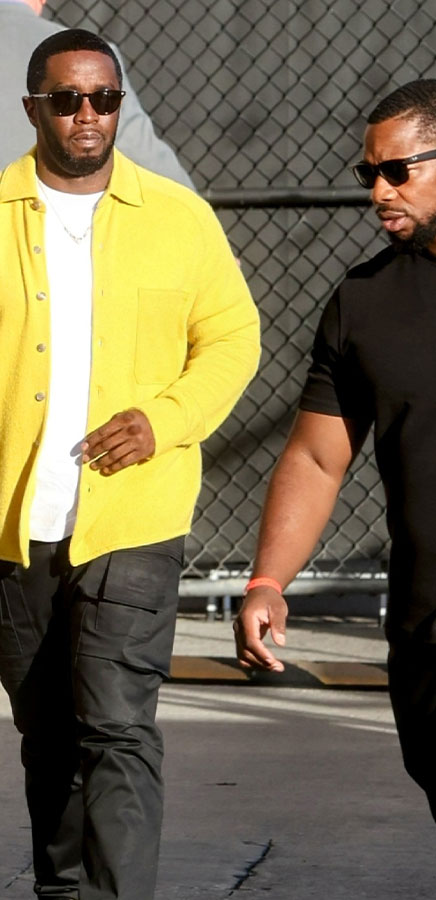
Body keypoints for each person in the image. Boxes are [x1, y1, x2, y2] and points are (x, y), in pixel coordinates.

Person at [0, 28, 259, 900]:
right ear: (34, 109)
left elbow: (232, 339)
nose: (88, 115)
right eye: (67, 99)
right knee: (48, 734)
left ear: (119, 107)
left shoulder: (178, 217)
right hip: (13, 525)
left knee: (118, 725)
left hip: (134, 518)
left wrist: (163, 420)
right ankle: (65, 890)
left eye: (103, 98)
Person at [0, 0, 196, 652]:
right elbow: (169, 182)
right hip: (60, 269)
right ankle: (58, 572)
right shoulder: (85, 65)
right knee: (51, 414)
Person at [234, 78, 436, 822]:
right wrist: (267, 581)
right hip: (426, 621)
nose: (378, 191)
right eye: (368, 173)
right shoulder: (365, 302)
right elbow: (319, 457)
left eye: (398, 171)